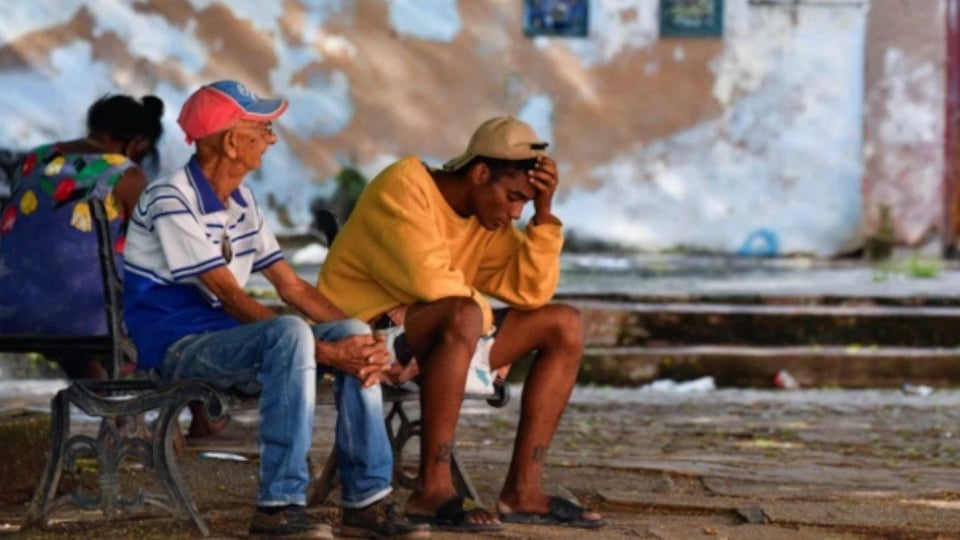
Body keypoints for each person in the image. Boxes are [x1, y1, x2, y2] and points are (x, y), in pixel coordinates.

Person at [121, 80, 429, 540]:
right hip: (178, 348)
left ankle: (368, 500)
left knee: (349, 331)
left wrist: (363, 341)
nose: (272, 139)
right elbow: (231, 297)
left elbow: (291, 286)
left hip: (230, 343)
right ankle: (278, 508)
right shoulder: (172, 197)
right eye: (263, 128)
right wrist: (328, 354)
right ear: (231, 141)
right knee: (292, 334)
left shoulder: (242, 201)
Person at [317, 116, 606, 531]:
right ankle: (432, 490)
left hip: (439, 336)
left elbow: (531, 292)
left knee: (565, 323)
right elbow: (432, 282)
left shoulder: (487, 219)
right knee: (464, 312)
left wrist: (544, 216)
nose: (514, 212)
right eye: (512, 198)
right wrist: (480, 326)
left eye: (524, 203)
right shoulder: (405, 186)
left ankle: (521, 492)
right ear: (480, 173)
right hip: (364, 339)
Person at [0, 93, 165, 379]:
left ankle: (105, 393)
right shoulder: (125, 174)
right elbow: (160, 243)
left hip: (11, 307)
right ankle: (202, 416)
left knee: (60, 284)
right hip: (85, 316)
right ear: (137, 142)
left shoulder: (36, 158)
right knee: (182, 305)